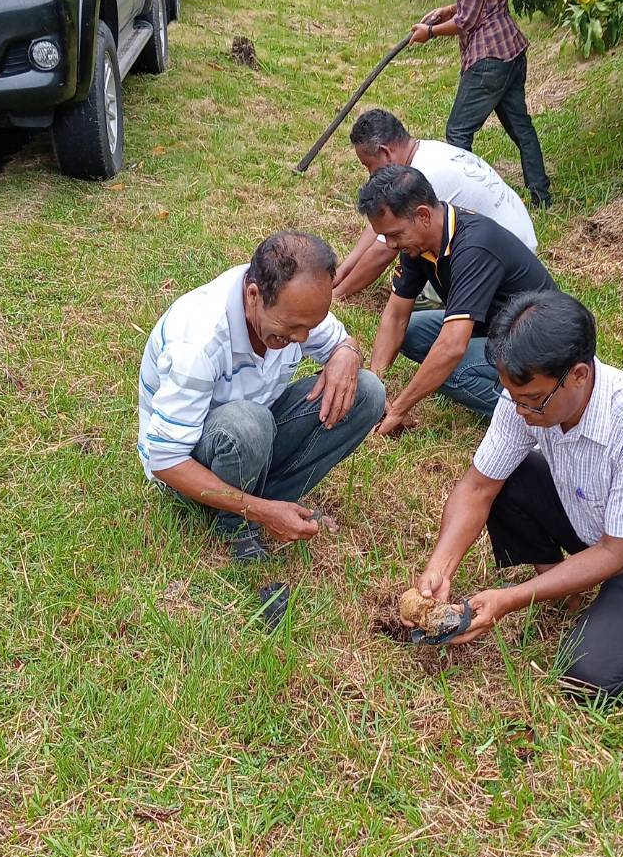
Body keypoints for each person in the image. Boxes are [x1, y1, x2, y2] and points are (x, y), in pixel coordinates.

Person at [411, 290, 623, 698]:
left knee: (586, 678)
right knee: (511, 476)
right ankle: (569, 589)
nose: (520, 410)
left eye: (532, 401)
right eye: (513, 396)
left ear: (579, 374)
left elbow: (617, 553)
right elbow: (477, 486)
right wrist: (440, 566)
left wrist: (510, 599)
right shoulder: (527, 396)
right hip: (594, 519)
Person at [138, 231, 385, 561]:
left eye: (311, 326)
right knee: (248, 423)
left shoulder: (295, 306)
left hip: (255, 435)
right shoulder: (198, 342)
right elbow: (166, 461)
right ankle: (236, 522)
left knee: (367, 392)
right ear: (253, 295)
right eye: (292, 328)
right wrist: (260, 512)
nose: (302, 338)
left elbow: (338, 341)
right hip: (191, 466)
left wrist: (347, 352)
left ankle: (269, 500)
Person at [359, 165, 561, 433]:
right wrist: (375, 390)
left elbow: (452, 347)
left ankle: (541, 408)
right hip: (491, 328)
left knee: (452, 368)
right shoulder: (417, 245)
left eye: (394, 234)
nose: (390, 245)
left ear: (423, 215)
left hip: (539, 345)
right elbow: (396, 316)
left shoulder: (474, 245)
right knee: (413, 330)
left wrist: (398, 410)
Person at [411, 0, 552, 209]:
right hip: (509, 50)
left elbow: (467, 21)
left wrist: (430, 33)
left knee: (458, 132)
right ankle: (542, 196)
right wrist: (446, 10)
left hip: (490, 59)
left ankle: (467, 206)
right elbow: (479, 0)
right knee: (521, 128)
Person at [333, 107, 538, 303]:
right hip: (518, 241)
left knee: (421, 268)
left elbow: (383, 252)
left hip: (509, 268)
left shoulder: (424, 178)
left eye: (368, 165)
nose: (370, 174)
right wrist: (344, 270)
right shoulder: (428, 152)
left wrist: (337, 295)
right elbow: (383, 222)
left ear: (385, 152)